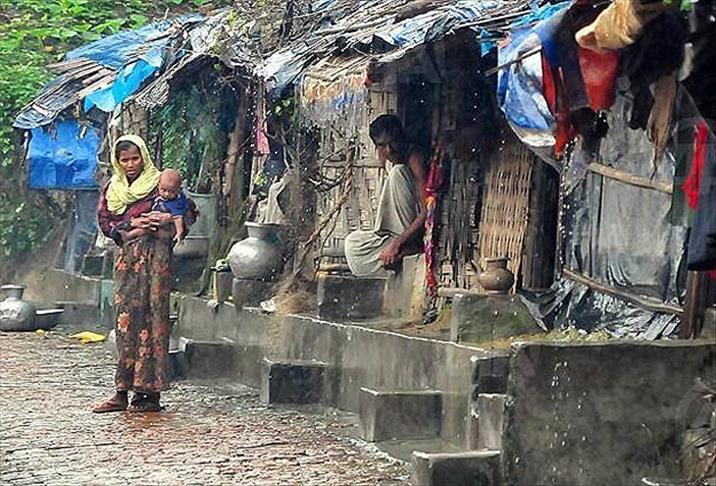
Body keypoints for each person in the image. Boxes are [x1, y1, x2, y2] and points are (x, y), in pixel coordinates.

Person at [93, 134, 196, 413]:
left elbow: (189, 212)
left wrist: (166, 221)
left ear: (144, 157)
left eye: (135, 158)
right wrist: (133, 225)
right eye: (124, 160)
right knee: (125, 321)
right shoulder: (112, 189)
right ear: (117, 162)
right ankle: (121, 392)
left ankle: (149, 395)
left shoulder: (161, 183)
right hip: (127, 261)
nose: (130, 164)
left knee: (153, 320)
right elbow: (106, 223)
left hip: (157, 261)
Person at [344, 115, 427, 277]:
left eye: (392, 142)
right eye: (382, 145)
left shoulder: (414, 159)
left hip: (413, 233)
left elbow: (427, 211)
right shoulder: (386, 157)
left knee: (398, 172)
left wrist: (397, 243)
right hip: (393, 236)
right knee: (352, 244)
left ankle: (405, 249)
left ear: (400, 139)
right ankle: (395, 254)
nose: (389, 150)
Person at [118, 169, 190, 245]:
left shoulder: (176, 202)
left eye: (172, 191)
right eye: (163, 190)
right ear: (158, 185)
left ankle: (129, 235)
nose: (167, 194)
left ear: (178, 190)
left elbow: (178, 218)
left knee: (146, 229)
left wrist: (179, 232)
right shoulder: (153, 191)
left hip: (162, 227)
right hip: (151, 219)